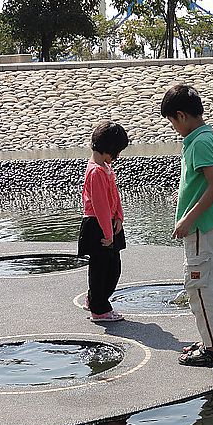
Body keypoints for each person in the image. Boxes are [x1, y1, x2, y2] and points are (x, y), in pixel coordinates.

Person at [161, 84, 213, 366]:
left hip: (203, 226)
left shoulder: (198, 141)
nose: (174, 128)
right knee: (212, 282)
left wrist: (188, 219)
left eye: (172, 122)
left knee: (199, 286)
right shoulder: (208, 137)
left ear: (181, 115)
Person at [77, 121, 129, 322]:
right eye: (116, 152)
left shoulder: (104, 167)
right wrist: (108, 234)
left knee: (111, 266)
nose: (117, 157)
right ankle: (99, 308)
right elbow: (100, 206)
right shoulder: (96, 171)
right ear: (108, 149)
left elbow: (114, 196)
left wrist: (119, 217)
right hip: (98, 225)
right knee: (103, 269)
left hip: (108, 223)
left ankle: (95, 299)